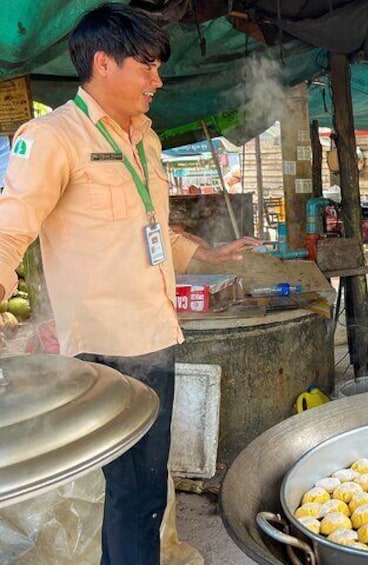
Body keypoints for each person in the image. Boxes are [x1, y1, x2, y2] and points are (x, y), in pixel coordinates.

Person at [0, 4, 260, 563]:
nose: (158, 80)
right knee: (129, 491)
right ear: (102, 64)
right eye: (147, 66)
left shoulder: (143, 138)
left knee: (145, 487)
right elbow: (10, 226)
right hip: (103, 347)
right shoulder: (52, 138)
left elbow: (148, 223)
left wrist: (205, 251)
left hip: (153, 335)